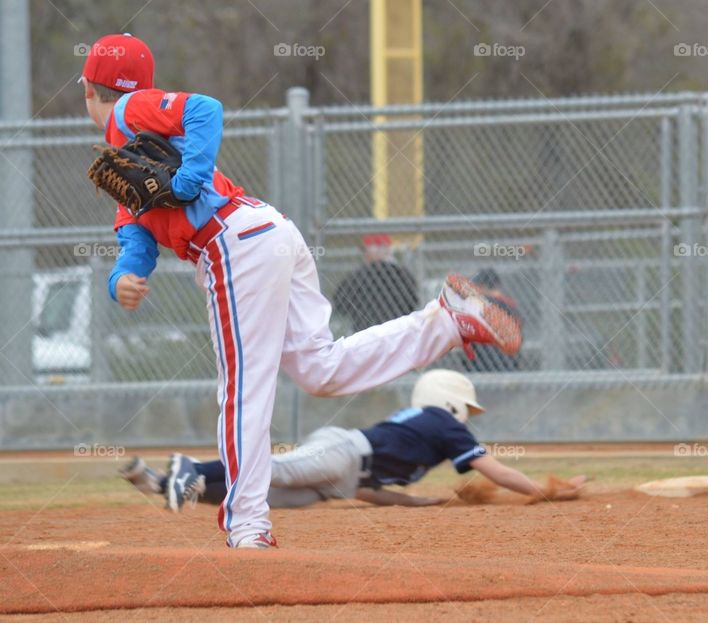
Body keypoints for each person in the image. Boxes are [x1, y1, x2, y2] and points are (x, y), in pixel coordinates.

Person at [81, 33, 521, 549]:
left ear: (89, 91)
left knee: (243, 391)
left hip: (233, 245)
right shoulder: (127, 176)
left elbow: (205, 108)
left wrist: (188, 180)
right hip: (269, 232)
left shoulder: (127, 110)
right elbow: (134, 247)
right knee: (319, 368)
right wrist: (122, 281)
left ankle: (247, 524)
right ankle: (447, 319)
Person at [120, 370, 585, 510]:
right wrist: (542, 491)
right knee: (273, 469)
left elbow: (368, 491)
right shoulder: (443, 423)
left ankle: (163, 483)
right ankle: (192, 468)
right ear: (452, 403)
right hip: (342, 451)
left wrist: (421, 504)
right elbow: (494, 469)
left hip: (340, 481)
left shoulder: (428, 433)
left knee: (257, 495)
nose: (469, 418)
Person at [333, 234, 419, 331]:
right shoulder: (402, 274)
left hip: (365, 332)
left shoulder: (358, 275)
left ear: (382, 250)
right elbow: (413, 303)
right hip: (396, 331)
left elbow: (340, 303)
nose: (365, 254)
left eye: (366, 250)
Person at [463, 269, 521, 372]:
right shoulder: (510, 303)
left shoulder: (477, 303)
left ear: (483, 286)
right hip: (508, 362)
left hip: (479, 364)